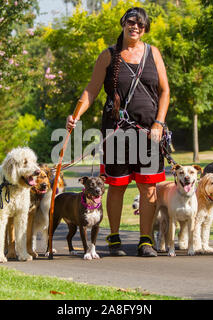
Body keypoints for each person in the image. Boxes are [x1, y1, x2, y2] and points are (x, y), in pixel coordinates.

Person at [66, 7, 170, 257]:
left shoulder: (153, 53)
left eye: (141, 25)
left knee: (148, 188)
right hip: (116, 132)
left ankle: (145, 240)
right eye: (132, 22)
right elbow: (91, 90)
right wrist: (76, 115)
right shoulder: (108, 55)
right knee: (116, 186)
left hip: (148, 133)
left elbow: (165, 91)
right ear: (123, 23)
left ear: (145, 29)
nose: (136, 27)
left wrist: (158, 123)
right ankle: (114, 237)